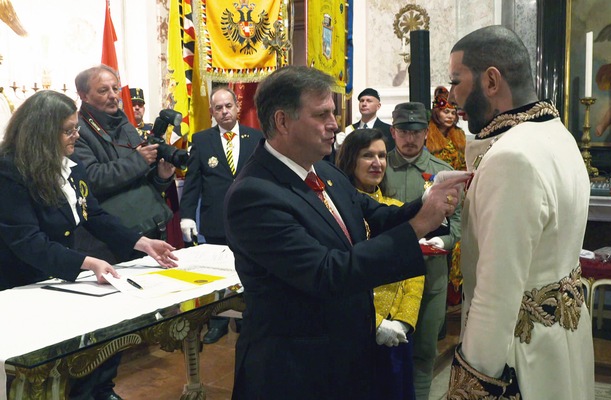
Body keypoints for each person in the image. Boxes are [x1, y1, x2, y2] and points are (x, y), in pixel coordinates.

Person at [224, 65, 469, 399]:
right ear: (282, 121)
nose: (333, 125)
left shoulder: (323, 169)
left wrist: (428, 201)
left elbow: (375, 214)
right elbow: (328, 272)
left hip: (343, 355)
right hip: (293, 369)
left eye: (334, 113)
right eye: (322, 114)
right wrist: (417, 226)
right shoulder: (254, 194)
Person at [0, 90, 178, 400]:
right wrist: (85, 262)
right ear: (43, 131)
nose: (76, 135)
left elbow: (93, 214)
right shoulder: (10, 171)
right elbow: (26, 241)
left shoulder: (69, 165)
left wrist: (142, 242)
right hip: (22, 279)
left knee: (102, 325)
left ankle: (99, 391)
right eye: (68, 130)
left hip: (56, 273)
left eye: (76, 127)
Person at [447, 25, 594, 399]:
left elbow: (496, 293)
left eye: (456, 80)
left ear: (491, 80)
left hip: (523, 351)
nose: (451, 96)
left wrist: (472, 384)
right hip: (564, 336)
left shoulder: (511, 156)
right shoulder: (558, 133)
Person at [335, 128, 424, 400]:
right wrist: (373, 323)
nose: (377, 163)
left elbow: (414, 273)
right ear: (350, 160)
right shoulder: (334, 214)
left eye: (382, 155)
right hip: (352, 330)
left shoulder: (395, 209)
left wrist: (403, 322)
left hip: (394, 333)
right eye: (367, 155)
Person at [383, 101, 461, 400]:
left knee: (425, 349)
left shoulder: (444, 174)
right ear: (393, 132)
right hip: (388, 275)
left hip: (430, 274)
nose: (410, 138)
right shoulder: (380, 165)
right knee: (386, 348)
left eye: (416, 131)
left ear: (426, 133)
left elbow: (457, 223)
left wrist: (446, 241)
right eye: (403, 130)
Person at [179, 86, 261, 344]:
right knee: (218, 272)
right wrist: (187, 216)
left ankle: (248, 315)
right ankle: (218, 321)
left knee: (250, 268)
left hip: (250, 219)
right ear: (212, 112)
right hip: (216, 219)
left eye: (228, 106)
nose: (224, 112)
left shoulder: (256, 137)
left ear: (237, 107)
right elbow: (193, 182)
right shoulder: (202, 140)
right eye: (218, 108)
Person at [72, 65, 176, 264]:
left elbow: (141, 182)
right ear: (84, 96)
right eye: (103, 90)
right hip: (107, 240)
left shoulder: (124, 124)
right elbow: (91, 179)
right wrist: (138, 160)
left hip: (147, 227)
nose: (113, 96)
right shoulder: (77, 131)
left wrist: (161, 176)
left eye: (115, 88)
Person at [426, 85, 467, 309]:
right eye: (445, 112)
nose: (450, 116)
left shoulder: (460, 136)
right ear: (436, 112)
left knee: (459, 239)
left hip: (459, 190)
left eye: (453, 113)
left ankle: (454, 296)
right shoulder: (427, 134)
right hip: (434, 187)